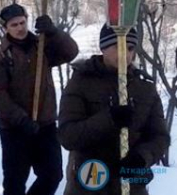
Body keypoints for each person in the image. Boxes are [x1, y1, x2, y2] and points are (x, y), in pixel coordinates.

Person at [58, 25, 169, 195]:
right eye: (118, 46)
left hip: (131, 183)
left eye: (130, 48)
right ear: (103, 47)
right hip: (90, 180)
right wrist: (109, 119)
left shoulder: (145, 88)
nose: (125, 53)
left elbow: (159, 136)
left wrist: (142, 157)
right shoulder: (82, 82)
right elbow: (68, 136)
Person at [0, 4, 79, 195]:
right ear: (5, 28)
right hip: (15, 130)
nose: (20, 28)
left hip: (45, 125)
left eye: (22, 22)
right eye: (14, 25)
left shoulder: (41, 45)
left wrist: (54, 32)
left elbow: (70, 53)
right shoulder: (2, 56)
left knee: (52, 175)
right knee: (14, 184)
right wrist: (20, 119)